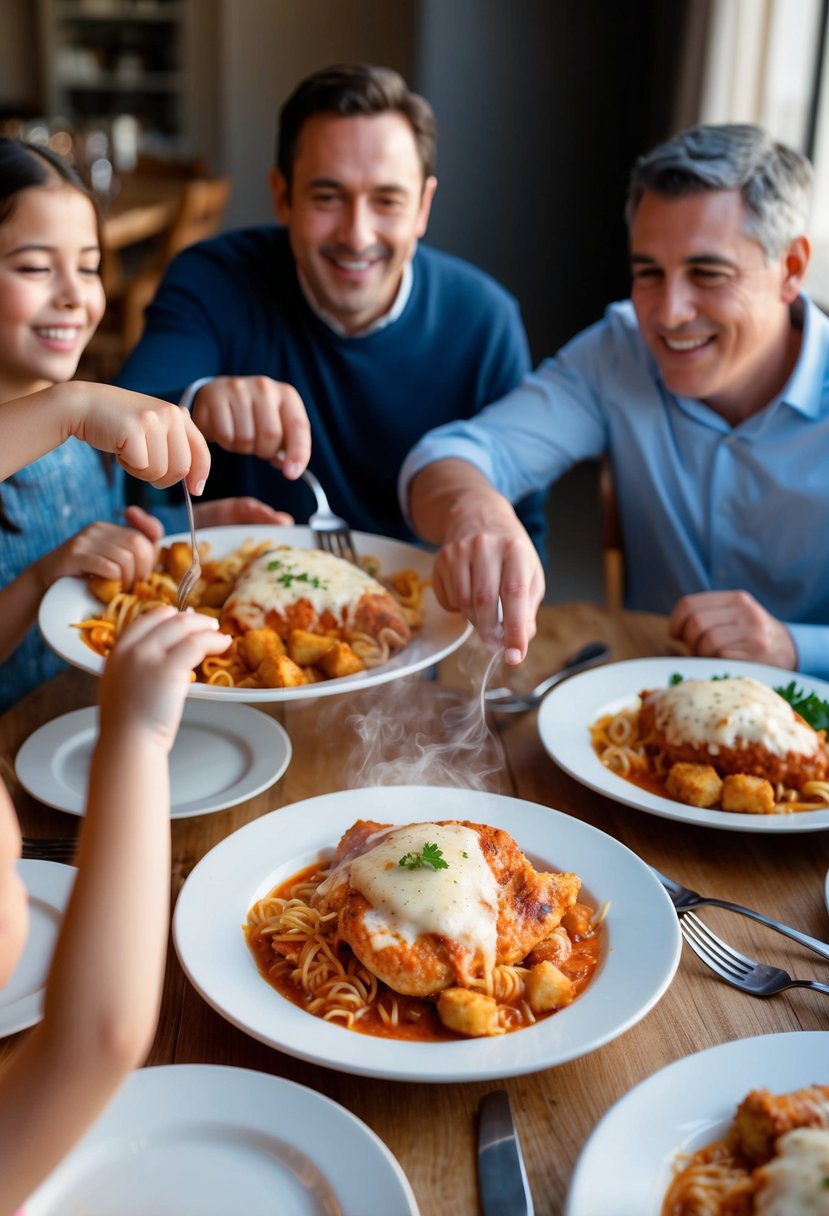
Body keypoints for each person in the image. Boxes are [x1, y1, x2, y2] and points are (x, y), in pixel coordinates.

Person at [399, 123, 828, 676]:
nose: (669, 313)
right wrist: (476, 509)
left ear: (791, 268)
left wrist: (792, 647)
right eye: (649, 273)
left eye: (707, 273)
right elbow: (448, 457)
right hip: (641, 719)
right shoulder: (618, 351)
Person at [115, 63, 547, 551]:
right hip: (236, 605)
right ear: (283, 196)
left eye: (387, 201)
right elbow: (116, 438)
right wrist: (198, 401)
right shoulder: (212, 278)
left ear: (423, 207)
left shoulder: (485, 322)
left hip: (422, 611)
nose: (357, 235)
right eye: (327, 197)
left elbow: (522, 522)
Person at [0, 137, 288, 711]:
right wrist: (40, 580)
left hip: (98, 724)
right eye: (35, 267)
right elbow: (55, 560)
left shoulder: (79, 442)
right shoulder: (70, 416)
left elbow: (89, 538)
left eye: (89, 267)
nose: (75, 296)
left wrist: (184, 529)